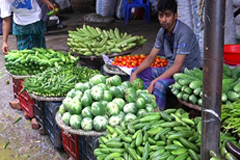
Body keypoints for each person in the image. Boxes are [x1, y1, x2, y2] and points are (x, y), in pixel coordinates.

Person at [130, 0, 201, 110]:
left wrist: (154, 81)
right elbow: (150, 58)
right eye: (161, 15)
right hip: (170, 70)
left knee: (159, 85)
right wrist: (136, 73)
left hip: (185, 74)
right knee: (137, 73)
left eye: (167, 15)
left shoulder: (184, 33)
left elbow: (177, 66)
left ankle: (158, 113)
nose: (163, 20)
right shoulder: (162, 32)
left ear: (175, 16)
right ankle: (143, 103)